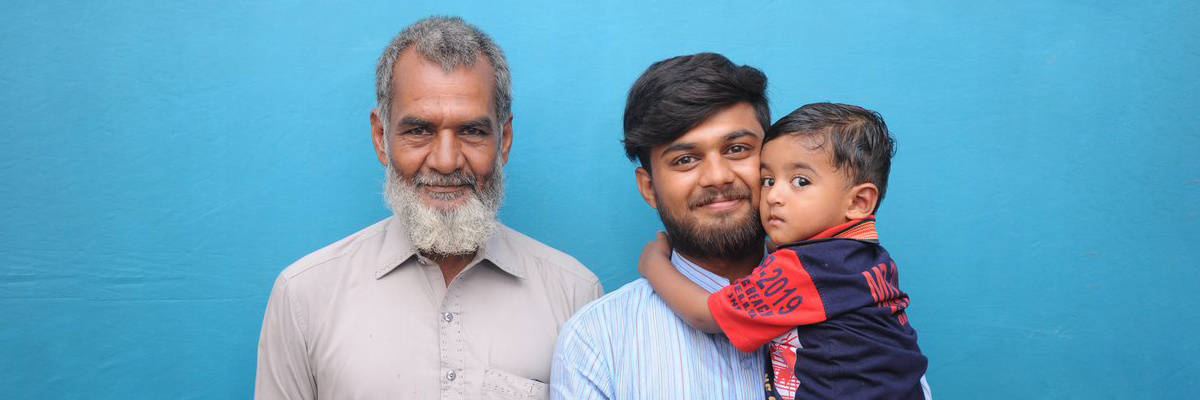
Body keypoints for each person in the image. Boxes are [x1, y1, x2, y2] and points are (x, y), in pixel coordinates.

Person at [255, 16, 602, 400]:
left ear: (503, 140)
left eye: (472, 131)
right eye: (419, 130)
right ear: (381, 137)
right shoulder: (304, 296)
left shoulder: (575, 295)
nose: (446, 160)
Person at [638, 102, 930, 399]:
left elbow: (704, 315)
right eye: (768, 180)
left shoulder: (806, 268)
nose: (774, 196)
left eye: (800, 182)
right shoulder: (866, 257)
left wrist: (654, 263)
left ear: (858, 202)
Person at [550, 52, 773, 399]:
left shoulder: (847, 297)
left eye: (738, 149)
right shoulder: (597, 341)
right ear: (649, 188)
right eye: (685, 159)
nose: (718, 176)